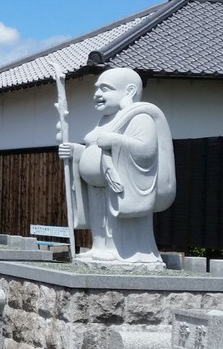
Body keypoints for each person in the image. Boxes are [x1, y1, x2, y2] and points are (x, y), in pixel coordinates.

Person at [58, 68, 175, 265]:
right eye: (96, 89)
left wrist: (115, 140)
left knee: (115, 220)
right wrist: (76, 152)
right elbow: (93, 148)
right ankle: (99, 246)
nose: (97, 94)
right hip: (98, 186)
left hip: (120, 185)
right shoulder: (105, 119)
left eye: (105, 89)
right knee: (99, 219)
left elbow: (146, 150)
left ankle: (121, 251)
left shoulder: (140, 117)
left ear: (129, 91)